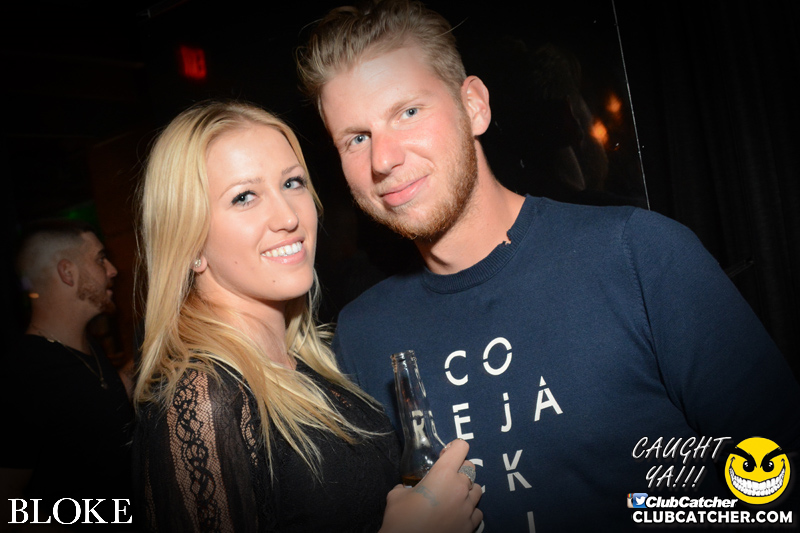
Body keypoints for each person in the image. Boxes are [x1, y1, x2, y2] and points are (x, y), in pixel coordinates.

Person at [295, 0, 800, 530]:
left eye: (408, 112)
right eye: (356, 138)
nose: (383, 159)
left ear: (474, 106)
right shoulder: (361, 336)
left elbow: (778, 471)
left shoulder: (638, 255)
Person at [132, 100, 483, 532]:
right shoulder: (205, 399)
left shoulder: (310, 364)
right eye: (244, 197)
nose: (288, 216)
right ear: (190, 244)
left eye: (292, 183)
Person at [1, 219, 135, 531]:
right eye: (100, 259)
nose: (113, 270)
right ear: (67, 272)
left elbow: (101, 399)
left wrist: (156, 349)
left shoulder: (85, 348)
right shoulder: (22, 374)